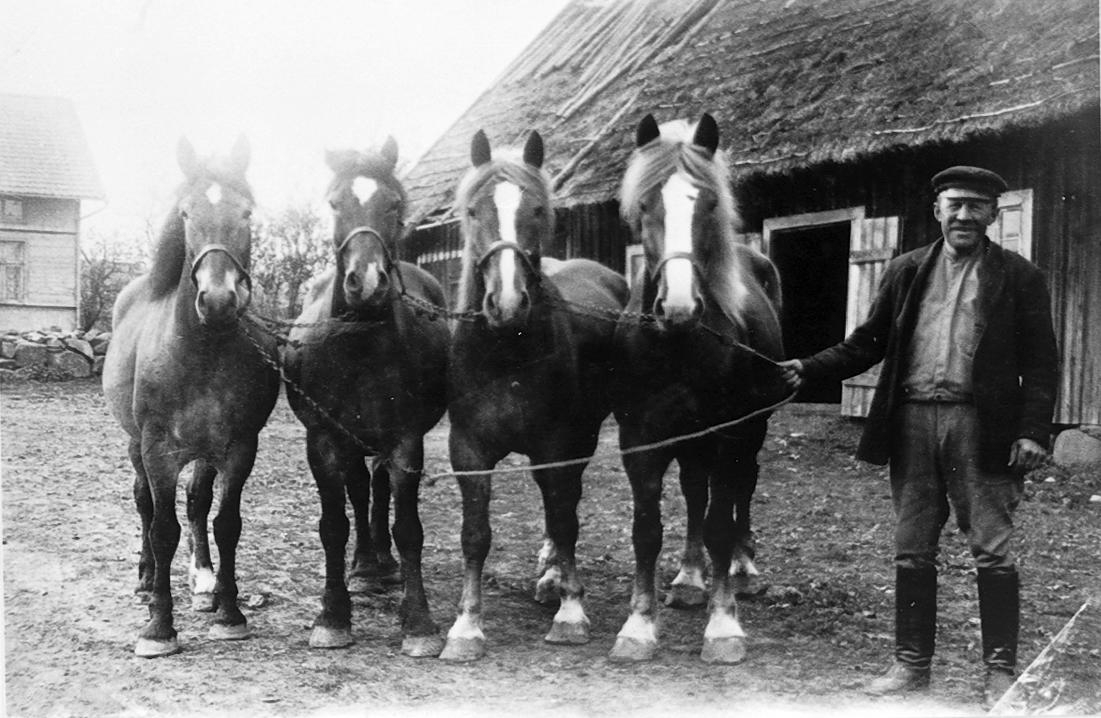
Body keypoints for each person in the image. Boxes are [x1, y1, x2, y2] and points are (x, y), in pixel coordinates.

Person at [778, 166, 1058, 708]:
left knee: (992, 552)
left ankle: (999, 672)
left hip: (982, 428)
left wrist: (1032, 431)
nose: (964, 215)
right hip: (911, 424)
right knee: (912, 550)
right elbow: (867, 342)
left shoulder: (1020, 276)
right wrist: (808, 368)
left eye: (976, 206)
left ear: (993, 214)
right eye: (954, 204)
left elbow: (1042, 362)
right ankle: (910, 665)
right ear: (937, 211)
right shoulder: (906, 270)